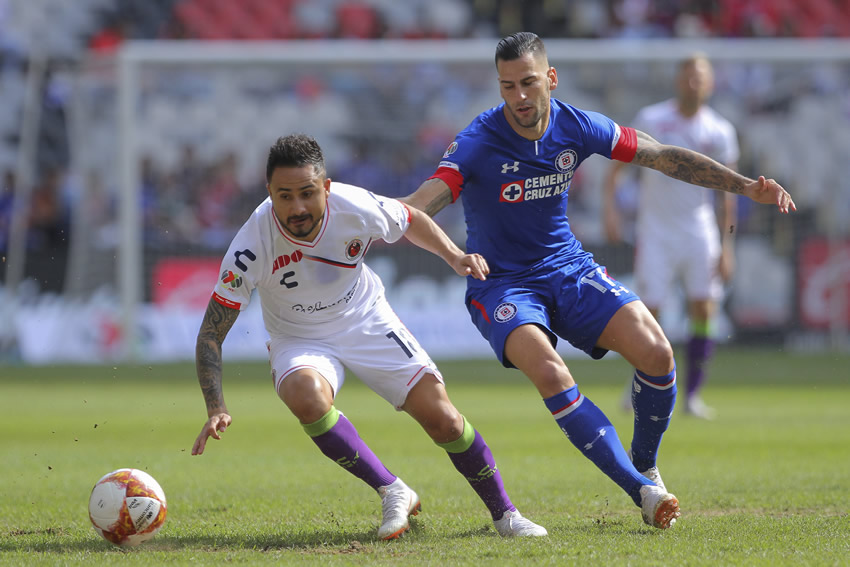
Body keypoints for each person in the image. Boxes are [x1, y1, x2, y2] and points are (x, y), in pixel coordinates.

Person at [403, 32, 795, 530]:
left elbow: (658, 154)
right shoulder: (479, 141)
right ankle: (643, 491)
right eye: (507, 87)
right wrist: (381, 224)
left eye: (528, 83)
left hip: (567, 268)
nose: (519, 97)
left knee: (657, 354)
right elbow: (422, 204)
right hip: (502, 285)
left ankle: (645, 462)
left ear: (551, 78)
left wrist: (743, 187)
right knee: (550, 372)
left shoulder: (578, 125)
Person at [191, 134, 547, 540]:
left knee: (444, 421)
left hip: (365, 318)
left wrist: (454, 255)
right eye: (284, 197)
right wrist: (215, 405)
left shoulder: (355, 205)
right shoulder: (249, 247)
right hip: (298, 336)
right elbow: (210, 335)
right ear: (269, 192)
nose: (297, 208)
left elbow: (412, 220)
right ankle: (392, 490)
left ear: (326, 187)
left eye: (307, 193)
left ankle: (506, 515)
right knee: (306, 397)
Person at [603, 54, 738, 419]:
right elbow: (617, 170)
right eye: (688, 76)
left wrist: (727, 243)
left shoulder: (720, 131)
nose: (694, 83)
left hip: (700, 231)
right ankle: (641, 387)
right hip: (656, 231)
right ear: (678, 80)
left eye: (701, 77)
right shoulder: (652, 119)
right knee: (650, 314)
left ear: (710, 83)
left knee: (703, 307)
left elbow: (727, 194)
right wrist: (611, 210)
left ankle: (692, 395)